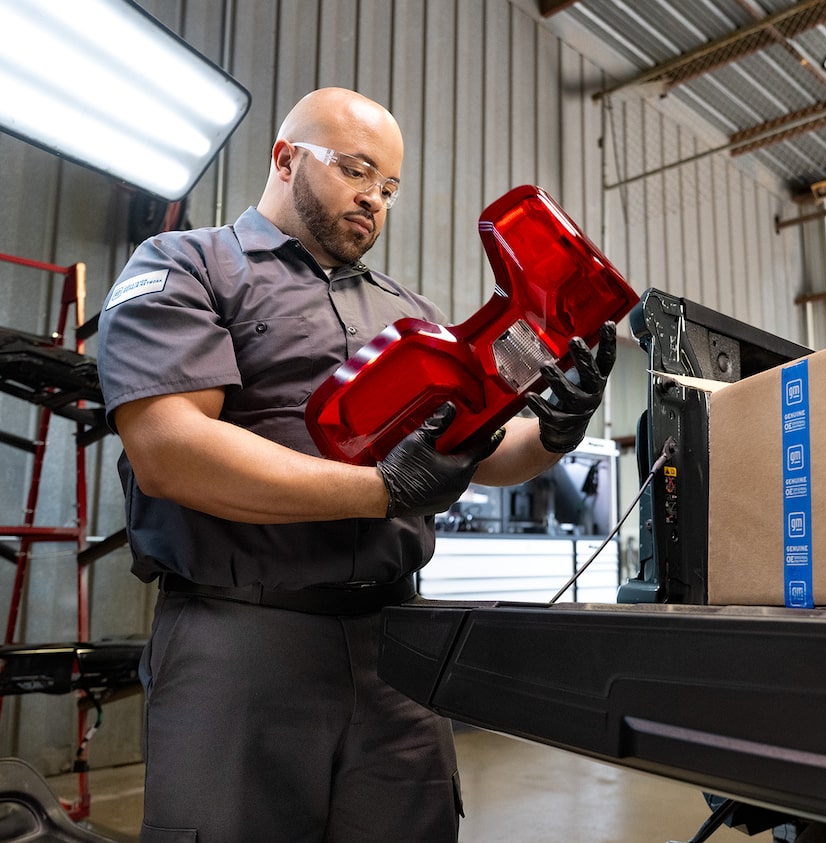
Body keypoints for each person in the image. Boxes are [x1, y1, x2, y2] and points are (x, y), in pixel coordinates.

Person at [96, 87, 616, 843]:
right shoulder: (188, 267)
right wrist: (381, 490)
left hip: (396, 648)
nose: (374, 198)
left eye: (390, 187)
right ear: (285, 157)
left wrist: (553, 433)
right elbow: (170, 449)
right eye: (356, 170)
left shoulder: (412, 316)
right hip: (241, 637)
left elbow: (474, 451)